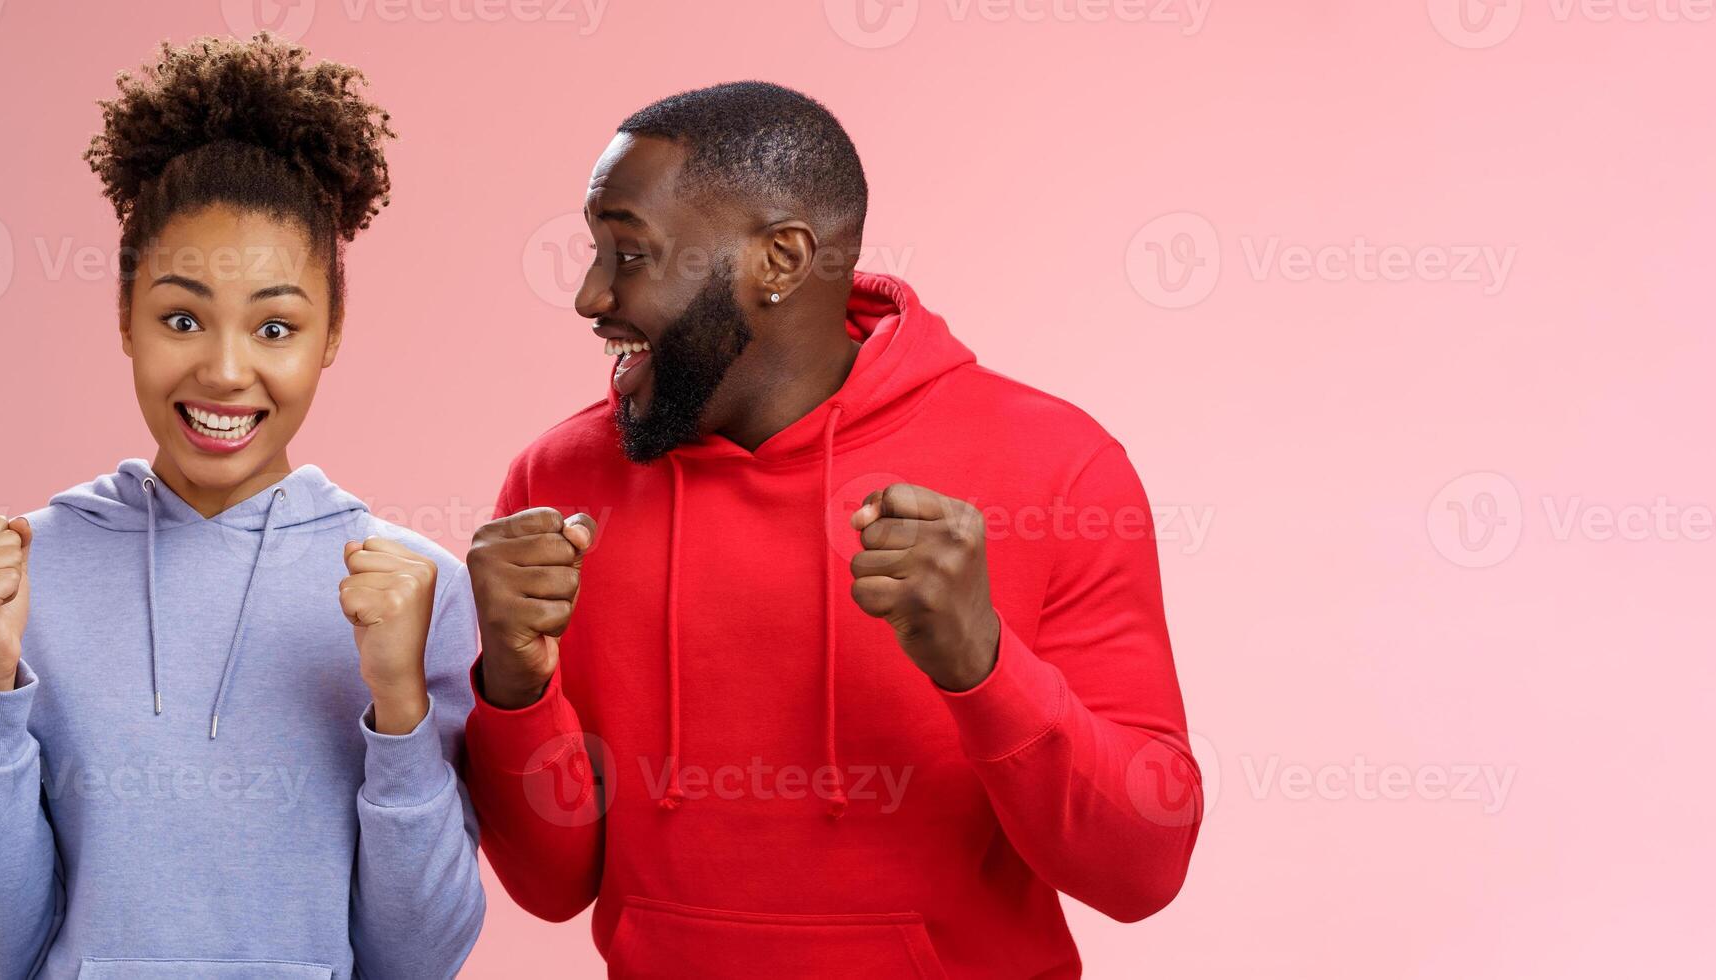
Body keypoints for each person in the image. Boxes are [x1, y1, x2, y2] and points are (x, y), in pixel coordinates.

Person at [458, 81, 1201, 978]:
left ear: (779, 260)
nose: (589, 295)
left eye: (629, 252)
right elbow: (551, 886)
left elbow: (1141, 870)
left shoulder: (1060, 467)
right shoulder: (557, 482)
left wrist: (983, 662)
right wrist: (512, 683)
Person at [0, 35, 482, 980]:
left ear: (331, 333)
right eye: (181, 318)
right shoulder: (18, 579)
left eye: (275, 325)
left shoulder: (420, 592)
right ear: (124, 315)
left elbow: (416, 961)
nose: (224, 370)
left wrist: (398, 707)